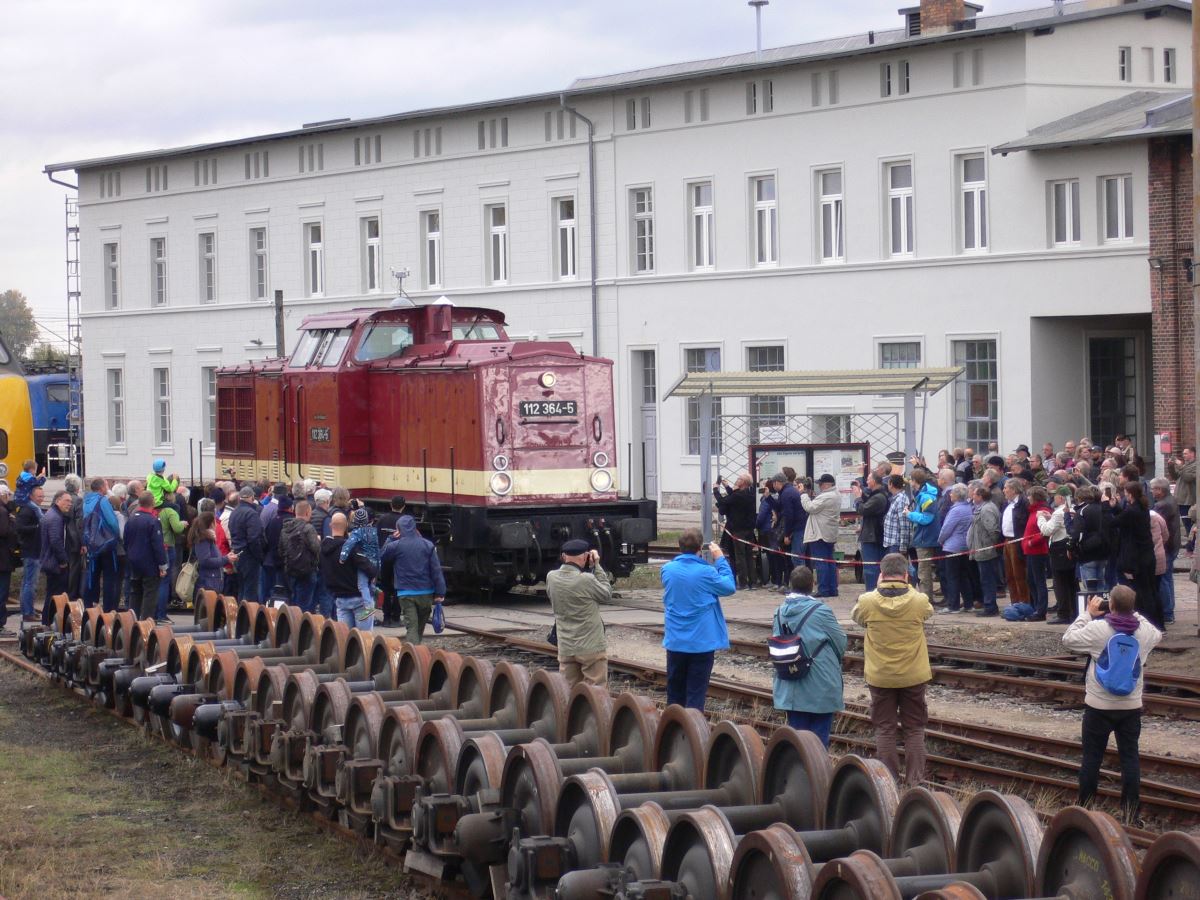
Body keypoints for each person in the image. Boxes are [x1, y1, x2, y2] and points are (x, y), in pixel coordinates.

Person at [1061, 585, 1162, 822]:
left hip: (1098, 706)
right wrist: (1133, 613)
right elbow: (1157, 633)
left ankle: (1085, 810)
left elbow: (1068, 639)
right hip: (1130, 707)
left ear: (1111, 605)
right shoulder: (1144, 632)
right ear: (1133, 607)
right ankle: (1131, 815)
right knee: (1130, 759)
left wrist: (1088, 613)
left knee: (1091, 759)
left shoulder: (1098, 629)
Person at [851, 552, 933, 786]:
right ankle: (916, 782)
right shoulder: (918, 600)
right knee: (914, 729)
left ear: (881, 574)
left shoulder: (867, 601)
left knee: (885, 729)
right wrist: (909, 587)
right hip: (913, 675)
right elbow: (928, 612)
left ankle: (890, 783)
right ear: (906, 574)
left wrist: (877, 588)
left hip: (881, 676)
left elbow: (857, 617)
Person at [660, 527, 735, 711]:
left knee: (674, 693)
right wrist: (720, 559)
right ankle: (692, 726)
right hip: (701, 643)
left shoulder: (667, 570)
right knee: (696, 694)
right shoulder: (706, 572)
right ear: (700, 548)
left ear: (679, 547)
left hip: (675, 641)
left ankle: (673, 724)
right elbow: (729, 587)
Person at [771, 566, 846, 747]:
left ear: (790, 584)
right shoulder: (821, 611)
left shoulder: (779, 612)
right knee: (818, 743)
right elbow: (841, 643)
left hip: (790, 684)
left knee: (797, 742)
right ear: (813, 584)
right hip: (821, 684)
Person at [546, 539, 612, 687]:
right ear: (585, 557)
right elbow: (606, 594)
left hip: (566, 646)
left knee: (567, 690)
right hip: (590, 646)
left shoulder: (551, 577)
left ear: (564, 556)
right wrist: (596, 565)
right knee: (595, 691)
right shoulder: (586, 579)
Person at [380, 514, 446, 641]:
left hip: (406, 593)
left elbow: (382, 556)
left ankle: (413, 652)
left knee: (412, 627)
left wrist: (390, 538)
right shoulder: (428, 545)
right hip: (426, 593)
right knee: (419, 628)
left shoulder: (396, 545)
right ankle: (416, 650)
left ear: (399, 529)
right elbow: (436, 570)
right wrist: (440, 592)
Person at [1112, 483, 1162, 628]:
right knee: (1151, 589)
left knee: (1143, 592)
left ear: (1130, 494)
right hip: (1147, 555)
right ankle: (1158, 622)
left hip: (1138, 558)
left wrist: (1105, 506)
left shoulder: (1132, 510)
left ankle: (1150, 623)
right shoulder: (1142, 508)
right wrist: (1116, 507)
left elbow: (1114, 522)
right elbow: (1126, 517)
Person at [321, 512, 380, 630]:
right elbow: (369, 567)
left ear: (330, 525)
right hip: (359, 599)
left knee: (345, 637)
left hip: (340, 598)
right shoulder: (351, 547)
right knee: (363, 638)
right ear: (347, 525)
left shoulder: (323, 548)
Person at [125, 491, 169, 621]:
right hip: (149, 564)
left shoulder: (131, 519)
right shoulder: (152, 521)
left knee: (135, 593)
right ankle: (146, 624)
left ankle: (132, 621)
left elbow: (126, 540)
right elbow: (158, 545)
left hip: (133, 561)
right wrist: (162, 565)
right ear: (153, 503)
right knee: (150, 594)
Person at [82, 477, 121, 612]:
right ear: (101, 488)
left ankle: (89, 606)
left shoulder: (86, 501)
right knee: (110, 577)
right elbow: (112, 521)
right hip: (106, 544)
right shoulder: (103, 500)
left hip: (92, 544)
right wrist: (116, 535)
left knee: (92, 575)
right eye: (106, 486)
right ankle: (108, 609)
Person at [1040, 485, 1077, 623]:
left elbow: (1047, 530)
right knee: (1071, 582)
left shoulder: (1058, 512)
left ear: (1061, 498)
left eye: (1055, 496)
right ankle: (1074, 611)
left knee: (1060, 583)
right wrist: (1051, 517)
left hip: (1059, 548)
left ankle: (1063, 613)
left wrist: (1040, 518)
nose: (1053, 498)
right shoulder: (1072, 508)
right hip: (1068, 546)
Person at [714, 473, 759, 589]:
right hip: (749, 530)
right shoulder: (749, 494)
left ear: (743, 482)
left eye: (739, 479)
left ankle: (743, 582)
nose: (737, 480)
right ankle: (753, 582)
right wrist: (728, 487)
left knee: (740, 556)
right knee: (749, 556)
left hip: (738, 530)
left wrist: (715, 490)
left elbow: (724, 501)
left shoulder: (738, 495)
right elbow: (734, 499)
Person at [801, 474, 841, 598]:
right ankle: (832, 589)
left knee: (821, 562)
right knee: (830, 561)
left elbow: (810, 507)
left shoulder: (826, 496)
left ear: (828, 484)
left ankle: (823, 589)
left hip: (820, 534)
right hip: (829, 533)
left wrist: (804, 495)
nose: (819, 486)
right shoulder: (835, 494)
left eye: (821, 484)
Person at [936, 484, 973, 613]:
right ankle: (968, 603)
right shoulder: (968, 508)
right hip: (965, 545)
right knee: (963, 575)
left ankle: (953, 605)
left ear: (957, 495)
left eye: (952, 493)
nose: (950, 494)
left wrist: (940, 540)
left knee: (952, 576)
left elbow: (946, 529)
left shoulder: (955, 510)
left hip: (952, 546)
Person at [1149, 477, 1181, 625]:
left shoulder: (1162, 505)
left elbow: (1157, 525)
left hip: (1166, 547)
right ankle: (1169, 610)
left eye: (1153, 489)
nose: (1151, 491)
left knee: (1163, 580)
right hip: (1172, 545)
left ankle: (1167, 612)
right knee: (1167, 579)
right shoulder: (1171, 500)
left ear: (1160, 490)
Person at [967, 482, 1002, 617]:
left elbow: (993, 530)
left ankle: (990, 607)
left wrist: (988, 546)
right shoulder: (983, 508)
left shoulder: (986, 509)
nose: (972, 496)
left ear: (980, 496)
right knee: (985, 579)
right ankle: (989, 605)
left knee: (987, 580)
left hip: (986, 551)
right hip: (981, 550)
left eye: (974, 494)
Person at [280, 500, 321, 613]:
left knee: (293, 602)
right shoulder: (308, 528)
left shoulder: (285, 528)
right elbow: (316, 549)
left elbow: (281, 550)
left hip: (290, 570)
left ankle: (292, 622)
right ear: (307, 512)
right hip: (307, 571)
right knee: (305, 605)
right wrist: (318, 540)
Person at [38, 490, 72, 623]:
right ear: (58, 501)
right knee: (55, 595)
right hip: (55, 563)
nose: (69, 504)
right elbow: (55, 541)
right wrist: (63, 560)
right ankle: (48, 622)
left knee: (52, 593)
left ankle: (47, 621)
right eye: (67, 501)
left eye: (70, 501)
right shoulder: (55, 518)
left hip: (50, 561)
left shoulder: (52, 514)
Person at [340, 505, 381, 612]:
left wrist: (342, 557)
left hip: (364, 562)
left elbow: (348, 544)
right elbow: (378, 549)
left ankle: (368, 607)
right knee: (370, 583)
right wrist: (379, 565)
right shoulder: (374, 531)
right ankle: (374, 595)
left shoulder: (357, 532)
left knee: (362, 585)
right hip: (374, 562)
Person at [1071, 485, 1111, 591]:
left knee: (1089, 588)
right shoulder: (1103, 508)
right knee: (1101, 585)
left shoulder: (1082, 511)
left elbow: (1078, 534)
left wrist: (1073, 547)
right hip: (1103, 552)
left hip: (1087, 553)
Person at [228, 485, 265, 602]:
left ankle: (240, 611)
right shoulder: (251, 514)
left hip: (237, 553)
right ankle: (248, 613)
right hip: (249, 556)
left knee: (242, 588)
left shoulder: (234, 512)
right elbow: (254, 539)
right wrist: (259, 556)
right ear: (252, 497)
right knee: (250, 591)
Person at [375, 495, 407, 626]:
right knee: (399, 587)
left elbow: (377, 537)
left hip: (385, 558)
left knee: (386, 587)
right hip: (399, 559)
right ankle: (396, 617)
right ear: (403, 506)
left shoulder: (382, 519)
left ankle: (386, 617)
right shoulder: (405, 521)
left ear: (390, 505)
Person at [188, 511, 236, 597]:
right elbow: (205, 560)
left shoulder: (208, 539)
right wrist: (226, 559)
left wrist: (227, 557)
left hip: (211, 582)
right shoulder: (203, 539)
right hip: (207, 584)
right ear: (211, 524)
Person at [854, 473, 888, 592]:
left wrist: (858, 497)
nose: (867, 482)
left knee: (870, 568)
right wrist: (861, 493)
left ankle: (872, 593)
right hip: (872, 534)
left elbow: (863, 509)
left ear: (874, 481)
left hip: (873, 537)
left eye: (868, 479)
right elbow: (869, 501)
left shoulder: (879, 497)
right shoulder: (877, 495)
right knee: (872, 568)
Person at [15, 485, 44, 622]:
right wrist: (37, 527)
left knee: (28, 582)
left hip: (33, 550)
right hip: (31, 551)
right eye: (39, 496)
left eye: (42, 496)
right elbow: (20, 528)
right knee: (30, 583)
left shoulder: (34, 509)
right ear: (31, 496)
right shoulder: (28, 510)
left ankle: (27, 610)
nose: (41, 499)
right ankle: (28, 612)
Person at [156, 492, 187, 616]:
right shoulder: (170, 511)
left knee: (157, 581)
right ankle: (162, 614)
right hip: (168, 545)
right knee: (165, 580)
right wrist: (182, 524)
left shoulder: (154, 511)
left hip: (156, 546)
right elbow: (177, 528)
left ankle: (155, 613)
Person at [1001, 478, 1030, 604]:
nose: (1004, 490)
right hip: (1006, 541)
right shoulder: (1006, 504)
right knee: (1009, 575)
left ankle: (1024, 602)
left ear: (1013, 489)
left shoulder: (1023, 503)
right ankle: (1014, 602)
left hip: (1017, 541)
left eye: (1006, 488)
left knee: (1019, 573)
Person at [881, 474, 909, 557]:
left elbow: (904, 524)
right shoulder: (895, 499)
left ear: (891, 484)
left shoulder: (901, 499)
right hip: (890, 542)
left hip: (896, 543)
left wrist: (903, 546)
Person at [0, 485, 14, 636]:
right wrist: (11, 523)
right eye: (8, 496)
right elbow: (4, 532)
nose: (9, 499)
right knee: (2, 592)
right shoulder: (3, 512)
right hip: (3, 560)